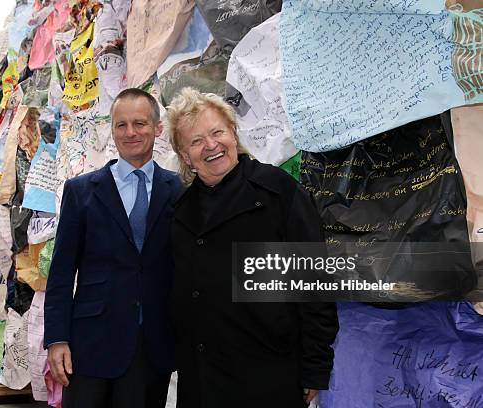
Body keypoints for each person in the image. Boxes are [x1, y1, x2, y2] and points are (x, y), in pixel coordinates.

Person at [166, 87, 339, 408]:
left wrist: (314, 366)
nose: (211, 146)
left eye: (217, 132)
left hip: (268, 373)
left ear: (233, 132)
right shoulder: (181, 210)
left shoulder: (277, 191)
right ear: (184, 155)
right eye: (196, 141)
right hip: (202, 378)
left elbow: (314, 284)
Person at [44, 88, 182, 408]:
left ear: (158, 128)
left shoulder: (177, 189)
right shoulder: (81, 191)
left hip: (152, 346)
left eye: (140, 123)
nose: (130, 132)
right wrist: (56, 339)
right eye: (121, 125)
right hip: (89, 345)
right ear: (112, 130)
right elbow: (62, 273)